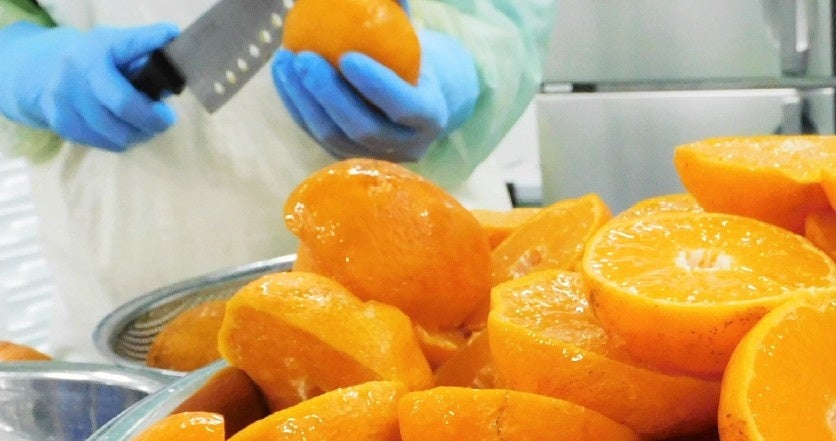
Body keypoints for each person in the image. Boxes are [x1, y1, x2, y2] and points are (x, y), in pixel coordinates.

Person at [0, 1, 557, 360]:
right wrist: (17, 59)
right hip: (124, 286)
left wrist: (470, 65)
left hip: (420, 284)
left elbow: (506, 15)